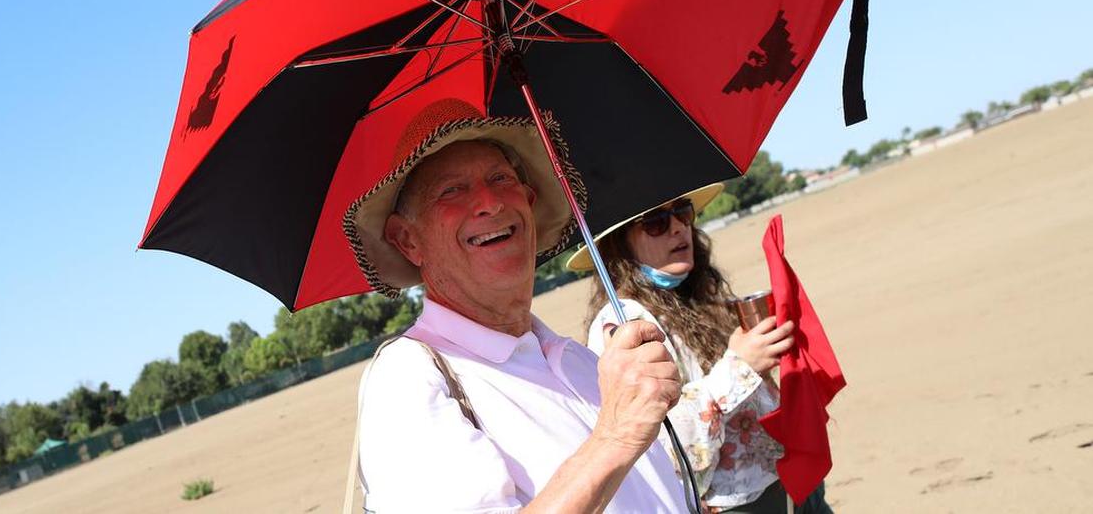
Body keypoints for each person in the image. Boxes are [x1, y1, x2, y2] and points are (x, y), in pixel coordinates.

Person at [344, 99, 689, 513]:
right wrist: (616, 436)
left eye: (501, 178)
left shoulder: (580, 360)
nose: (491, 202)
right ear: (407, 240)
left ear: (528, 200)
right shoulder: (408, 379)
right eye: (451, 190)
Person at [567, 185, 831, 513]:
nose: (677, 227)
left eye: (682, 211)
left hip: (791, 484)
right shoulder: (625, 323)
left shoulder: (693, 295)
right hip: (739, 505)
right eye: (655, 222)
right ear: (618, 246)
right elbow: (657, 442)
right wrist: (740, 367)